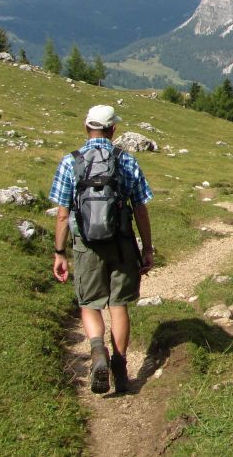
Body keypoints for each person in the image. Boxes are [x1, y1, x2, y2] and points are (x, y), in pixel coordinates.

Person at [51, 105, 155, 394]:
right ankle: (120, 367)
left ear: (86, 128)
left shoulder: (69, 162)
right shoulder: (126, 161)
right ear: (113, 130)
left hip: (86, 245)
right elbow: (141, 209)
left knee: (89, 304)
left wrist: (60, 252)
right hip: (121, 243)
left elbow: (62, 214)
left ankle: (98, 352)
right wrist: (147, 248)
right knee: (118, 304)